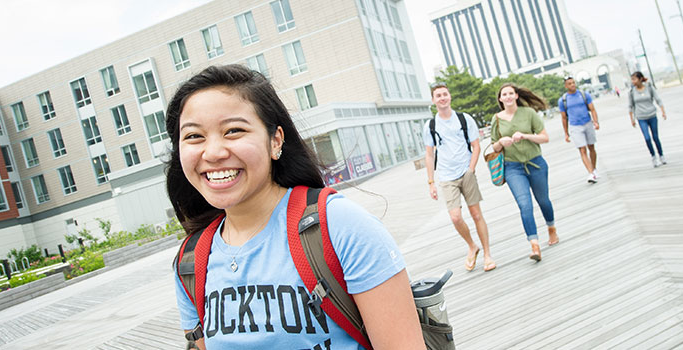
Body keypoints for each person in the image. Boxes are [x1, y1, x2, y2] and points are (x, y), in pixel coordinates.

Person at [165, 65, 423, 349]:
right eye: (193, 136)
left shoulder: (339, 225)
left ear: (275, 140)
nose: (213, 152)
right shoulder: (190, 262)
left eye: (233, 131)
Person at [423, 82, 496, 272]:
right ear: (433, 100)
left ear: (450, 96)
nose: (442, 98)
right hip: (446, 176)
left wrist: (471, 169)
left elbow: (476, 145)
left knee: (476, 214)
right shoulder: (430, 125)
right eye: (438, 95)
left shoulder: (464, 119)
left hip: (466, 172)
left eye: (445, 94)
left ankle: (487, 255)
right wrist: (431, 182)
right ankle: (472, 246)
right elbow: (429, 155)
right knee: (456, 218)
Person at [490, 83, 558, 262]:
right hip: (513, 168)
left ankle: (551, 229)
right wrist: (501, 142)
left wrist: (525, 136)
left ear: (516, 96)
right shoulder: (496, 119)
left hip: (535, 163)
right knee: (524, 205)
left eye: (511, 93)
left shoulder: (528, 113)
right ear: (500, 99)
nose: (508, 96)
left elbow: (545, 137)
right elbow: (493, 146)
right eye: (504, 94)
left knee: (543, 201)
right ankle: (534, 245)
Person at [558, 76, 600, 184]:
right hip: (575, 126)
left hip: (587, 123)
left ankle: (594, 168)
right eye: (570, 83)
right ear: (566, 86)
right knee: (582, 150)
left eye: (573, 83)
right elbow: (564, 118)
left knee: (591, 147)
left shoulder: (584, 95)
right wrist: (566, 133)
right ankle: (590, 173)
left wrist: (596, 122)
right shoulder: (563, 100)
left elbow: (592, 109)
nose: (572, 85)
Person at [628, 71, 667, 167]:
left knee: (655, 137)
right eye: (632, 79)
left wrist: (663, 111)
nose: (633, 81)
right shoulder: (632, 92)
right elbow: (630, 106)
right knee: (647, 138)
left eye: (634, 79)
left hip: (652, 115)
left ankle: (661, 155)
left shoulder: (649, 88)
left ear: (640, 79)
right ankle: (653, 156)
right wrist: (632, 119)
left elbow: (658, 99)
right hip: (641, 117)